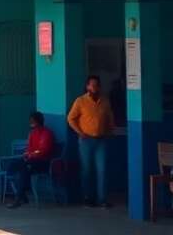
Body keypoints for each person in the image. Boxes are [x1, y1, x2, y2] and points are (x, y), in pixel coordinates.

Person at [67, 75, 114, 208]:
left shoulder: (105, 101)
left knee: (102, 170)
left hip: (101, 139)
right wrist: (80, 132)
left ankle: (102, 199)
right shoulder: (80, 101)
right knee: (87, 170)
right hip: (86, 140)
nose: (94, 87)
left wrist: (110, 131)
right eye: (92, 85)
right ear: (87, 86)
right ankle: (88, 198)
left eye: (97, 85)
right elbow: (71, 118)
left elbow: (110, 117)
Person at [7, 112, 56, 208]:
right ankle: (22, 194)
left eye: (33, 121)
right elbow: (29, 148)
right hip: (31, 160)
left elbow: (43, 150)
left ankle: (19, 198)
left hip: (42, 162)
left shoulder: (46, 133)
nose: (31, 123)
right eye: (30, 121)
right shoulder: (32, 134)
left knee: (24, 168)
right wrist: (28, 154)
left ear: (38, 121)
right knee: (14, 165)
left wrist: (31, 155)